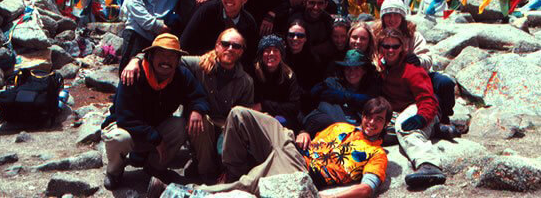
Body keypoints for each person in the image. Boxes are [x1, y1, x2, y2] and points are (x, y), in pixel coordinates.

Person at [147, 97, 393, 197]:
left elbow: (365, 189)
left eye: (378, 120)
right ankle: (233, 169)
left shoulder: (378, 154)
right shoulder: (341, 126)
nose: (371, 123)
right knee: (240, 114)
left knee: (247, 185)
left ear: (385, 125)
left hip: (300, 172)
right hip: (291, 147)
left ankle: (177, 191)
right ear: (362, 116)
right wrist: (305, 132)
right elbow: (311, 137)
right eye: (369, 116)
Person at [122, 28, 254, 183]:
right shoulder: (199, 64)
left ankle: (218, 168)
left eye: (236, 46)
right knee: (200, 121)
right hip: (202, 125)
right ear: (217, 45)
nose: (230, 49)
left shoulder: (246, 82)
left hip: (227, 129)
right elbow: (166, 58)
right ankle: (207, 176)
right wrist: (136, 59)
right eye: (225, 44)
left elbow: (243, 118)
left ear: (242, 52)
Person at [101, 33, 209, 191]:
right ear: (150, 56)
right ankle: (114, 172)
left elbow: (199, 96)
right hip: (128, 128)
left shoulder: (181, 75)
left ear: (178, 60)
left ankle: (155, 166)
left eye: (172, 56)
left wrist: (197, 110)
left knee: (181, 125)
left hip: (156, 127)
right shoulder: (134, 74)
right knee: (118, 137)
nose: (166, 60)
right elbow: (125, 117)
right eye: (161, 54)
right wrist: (155, 138)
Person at [373, 0, 459, 138]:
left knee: (444, 84)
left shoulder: (413, 35)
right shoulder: (376, 35)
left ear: (402, 17)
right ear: (382, 17)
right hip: (390, 73)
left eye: (396, 14)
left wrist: (418, 60)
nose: (392, 19)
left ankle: (443, 118)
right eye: (388, 15)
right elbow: (373, 57)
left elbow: (427, 57)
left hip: (417, 74)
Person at [376, 28, 446, 188]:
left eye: (395, 46)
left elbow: (427, 99)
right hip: (399, 109)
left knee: (404, 126)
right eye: (386, 46)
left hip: (421, 108)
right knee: (380, 130)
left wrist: (422, 117)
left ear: (402, 48)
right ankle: (436, 129)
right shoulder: (382, 66)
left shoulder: (412, 69)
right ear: (381, 48)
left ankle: (429, 164)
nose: (390, 50)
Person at [179, 0, 258, 65]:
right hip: (203, 64)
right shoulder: (206, 11)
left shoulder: (249, 23)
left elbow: (250, 58)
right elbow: (185, 44)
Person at [305, 49, 381, 135]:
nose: (351, 72)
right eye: (348, 68)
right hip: (334, 129)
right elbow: (315, 93)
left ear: (364, 70)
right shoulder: (333, 83)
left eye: (356, 68)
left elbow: (371, 102)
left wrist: (345, 97)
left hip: (360, 130)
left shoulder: (371, 87)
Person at [249, 35, 301, 129]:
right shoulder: (252, 73)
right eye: (267, 50)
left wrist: (264, 105)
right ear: (261, 55)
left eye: (276, 50)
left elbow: (294, 107)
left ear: (281, 55)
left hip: (280, 119)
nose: (271, 53)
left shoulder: (289, 75)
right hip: (256, 117)